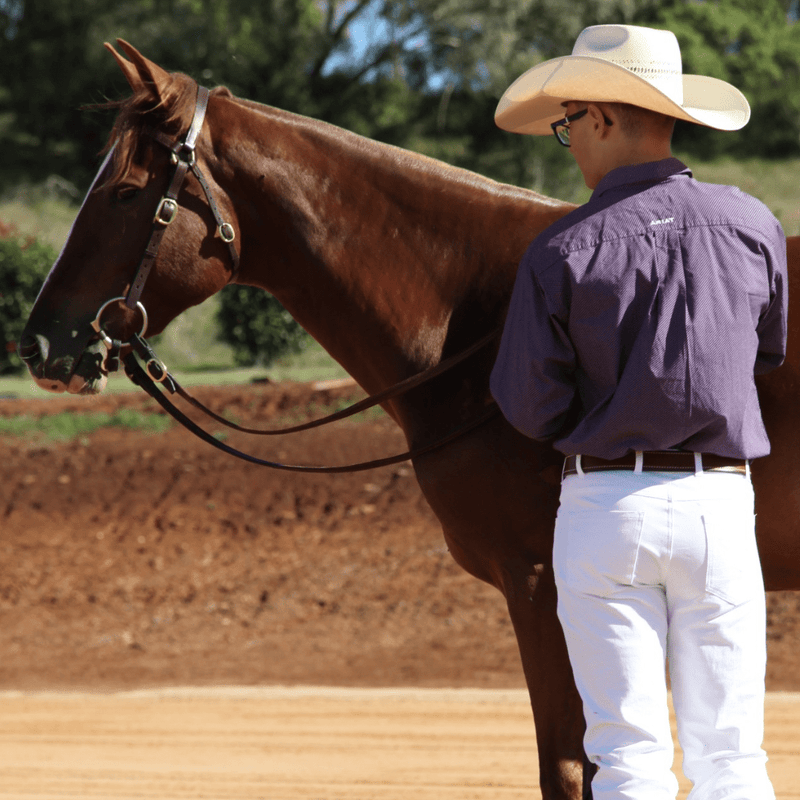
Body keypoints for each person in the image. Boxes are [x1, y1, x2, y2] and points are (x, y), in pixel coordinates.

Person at [490, 24, 787, 800]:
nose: (568, 142)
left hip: (605, 508)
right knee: (733, 757)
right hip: (719, 503)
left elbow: (531, 405)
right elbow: (762, 358)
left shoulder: (562, 249)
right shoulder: (754, 226)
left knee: (628, 758)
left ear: (602, 117)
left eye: (567, 124)